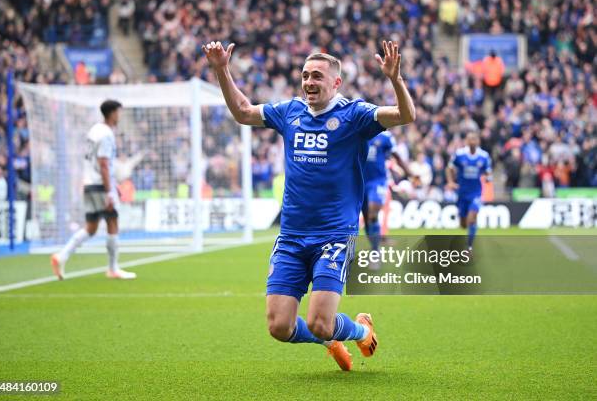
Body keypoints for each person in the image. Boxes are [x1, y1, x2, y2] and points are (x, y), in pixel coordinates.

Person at [202, 39, 415, 371]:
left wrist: (395, 79)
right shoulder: (290, 112)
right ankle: (331, 342)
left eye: (317, 76)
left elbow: (405, 114)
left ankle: (361, 329)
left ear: (336, 82)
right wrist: (221, 70)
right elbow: (243, 112)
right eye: (305, 75)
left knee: (319, 320)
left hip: (334, 234)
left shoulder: (354, 115)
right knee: (279, 327)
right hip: (292, 236)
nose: (309, 82)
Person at [51, 100, 136, 280]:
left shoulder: (94, 131)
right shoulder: (106, 134)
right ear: (112, 113)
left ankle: (61, 256)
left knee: (91, 228)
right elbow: (103, 164)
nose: (119, 116)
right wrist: (110, 191)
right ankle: (113, 268)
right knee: (112, 222)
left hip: (88, 184)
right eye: (118, 112)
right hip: (100, 185)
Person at [363, 131, 411, 253]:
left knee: (373, 213)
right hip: (360, 181)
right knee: (367, 216)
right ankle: (375, 242)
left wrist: (410, 174)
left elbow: (397, 157)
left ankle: (375, 251)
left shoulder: (386, 137)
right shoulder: (359, 131)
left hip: (378, 181)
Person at [446, 130, 492, 251]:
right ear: (466, 141)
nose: (472, 141)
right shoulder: (459, 154)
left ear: (478, 141)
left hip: (476, 192)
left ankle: (469, 248)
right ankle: (468, 226)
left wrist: (488, 177)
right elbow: (449, 168)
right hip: (462, 193)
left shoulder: (484, 156)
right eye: (469, 139)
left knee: (472, 218)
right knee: (463, 224)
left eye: (474, 139)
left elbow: (488, 171)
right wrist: (450, 182)